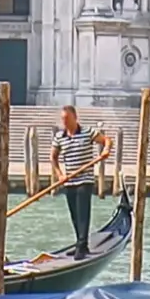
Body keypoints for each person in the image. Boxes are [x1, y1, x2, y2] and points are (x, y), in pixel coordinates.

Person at [53, 104, 105, 251]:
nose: (65, 122)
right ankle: (81, 243)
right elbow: (53, 157)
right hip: (69, 181)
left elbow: (106, 140)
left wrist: (106, 150)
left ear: (75, 117)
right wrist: (60, 175)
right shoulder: (59, 137)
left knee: (83, 212)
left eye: (67, 119)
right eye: (63, 119)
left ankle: (82, 244)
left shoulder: (88, 132)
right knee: (74, 215)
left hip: (85, 180)